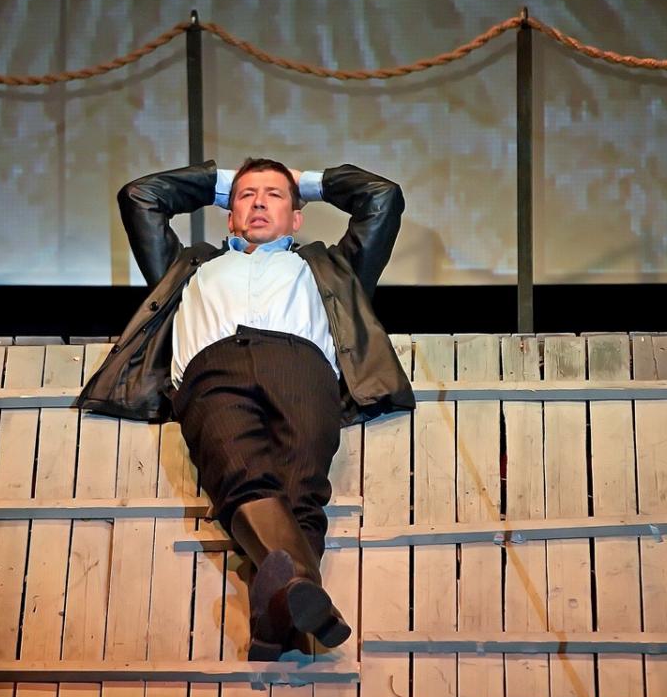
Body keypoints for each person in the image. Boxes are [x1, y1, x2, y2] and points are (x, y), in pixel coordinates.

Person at [75, 157, 414, 659]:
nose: (258, 202)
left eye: (273, 196)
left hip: (303, 369)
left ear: (296, 218)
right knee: (241, 476)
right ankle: (298, 605)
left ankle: (275, 624)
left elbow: (382, 197)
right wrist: (222, 183)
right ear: (228, 215)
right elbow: (140, 197)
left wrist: (305, 183)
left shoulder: (332, 267)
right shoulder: (187, 266)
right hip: (213, 371)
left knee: (301, 497)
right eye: (246, 196)